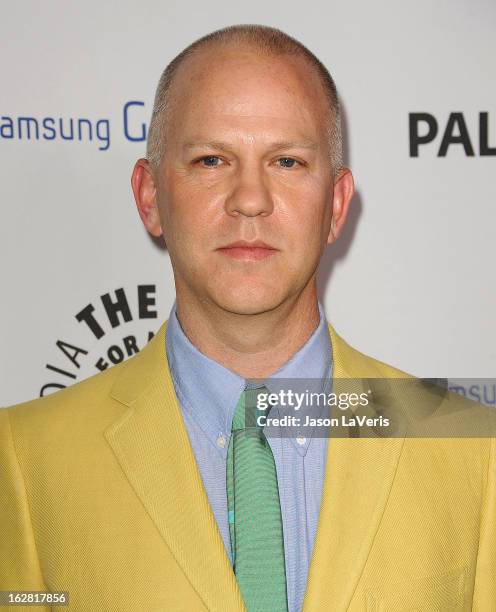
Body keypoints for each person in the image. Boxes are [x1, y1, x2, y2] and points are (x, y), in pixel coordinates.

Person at [1, 24, 494, 612]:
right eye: (212, 159)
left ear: (336, 206)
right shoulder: (25, 459)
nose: (251, 198)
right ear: (150, 196)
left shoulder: (473, 454)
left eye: (286, 161)